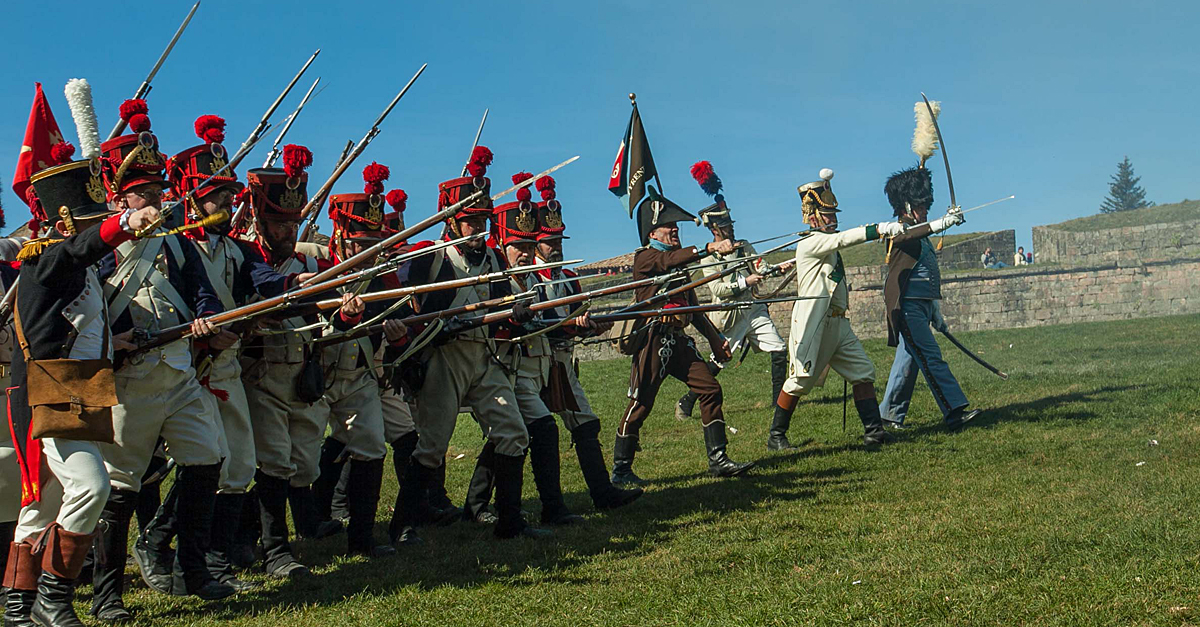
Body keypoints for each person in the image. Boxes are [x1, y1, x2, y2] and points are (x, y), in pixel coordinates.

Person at [2, 150, 160, 627]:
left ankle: (16, 604)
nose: (100, 227)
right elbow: (75, 250)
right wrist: (127, 223)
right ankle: (54, 600)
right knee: (91, 487)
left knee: (46, 501)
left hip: (79, 393)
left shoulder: (82, 270)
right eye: (93, 220)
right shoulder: (47, 259)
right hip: (46, 395)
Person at [91, 100, 235, 617]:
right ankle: (109, 597)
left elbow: (202, 292)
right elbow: (85, 305)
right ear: (120, 197)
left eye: (159, 190)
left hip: (179, 370)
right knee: (121, 487)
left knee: (205, 461)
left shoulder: (177, 243)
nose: (157, 199)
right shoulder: (100, 245)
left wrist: (206, 319)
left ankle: (193, 571)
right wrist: (118, 336)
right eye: (144, 192)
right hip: (130, 380)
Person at [391, 147, 549, 543]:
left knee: (513, 434)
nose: (479, 229)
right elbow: (395, 292)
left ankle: (509, 522)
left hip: (484, 356)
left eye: (483, 220)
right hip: (445, 357)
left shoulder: (494, 259)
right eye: (471, 222)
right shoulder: (430, 256)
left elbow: (503, 307)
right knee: (431, 446)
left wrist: (518, 313)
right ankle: (404, 525)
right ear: (452, 222)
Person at [237, 146, 337, 578]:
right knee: (273, 461)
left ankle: (250, 538)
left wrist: (343, 308)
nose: (287, 231)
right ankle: (276, 550)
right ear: (260, 220)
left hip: (302, 375)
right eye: (279, 223)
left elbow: (338, 306)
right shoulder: (243, 257)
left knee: (304, 464)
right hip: (258, 375)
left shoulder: (313, 259)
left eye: (293, 223)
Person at [462, 173, 584, 527]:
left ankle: (479, 505)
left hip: (528, 370)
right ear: (503, 244)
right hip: (498, 369)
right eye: (519, 246)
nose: (527, 254)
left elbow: (544, 323)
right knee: (539, 430)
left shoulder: (534, 280)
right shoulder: (494, 279)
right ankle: (543, 509)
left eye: (531, 246)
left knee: (509, 436)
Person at [613, 186, 754, 484]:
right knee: (641, 405)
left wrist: (715, 339)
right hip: (653, 339)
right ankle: (621, 470)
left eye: (676, 226)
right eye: (668, 226)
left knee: (710, 389)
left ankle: (718, 460)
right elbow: (667, 262)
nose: (675, 230)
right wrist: (709, 248)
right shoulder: (646, 258)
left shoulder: (678, 262)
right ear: (652, 233)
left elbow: (693, 305)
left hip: (678, 340)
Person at [309, 163, 408, 558]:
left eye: (372, 241)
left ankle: (362, 540)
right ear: (341, 237)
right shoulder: (315, 268)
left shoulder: (382, 278)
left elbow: (401, 321)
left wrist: (400, 341)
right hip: (313, 379)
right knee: (294, 462)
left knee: (370, 447)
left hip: (360, 375)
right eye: (359, 242)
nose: (367, 250)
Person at [530, 175, 643, 510]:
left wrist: (592, 326)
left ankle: (602, 495)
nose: (556, 245)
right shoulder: (528, 280)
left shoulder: (568, 278)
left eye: (558, 239)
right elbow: (539, 325)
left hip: (562, 363)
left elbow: (579, 317)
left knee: (586, 424)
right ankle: (483, 504)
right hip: (532, 362)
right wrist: (570, 327)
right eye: (549, 240)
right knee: (517, 437)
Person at [675, 161, 795, 451]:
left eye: (730, 225)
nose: (730, 229)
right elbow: (717, 289)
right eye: (725, 226)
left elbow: (760, 265)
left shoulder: (743, 244)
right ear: (714, 229)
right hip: (730, 316)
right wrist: (745, 282)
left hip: (753, 310)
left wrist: (778, 268)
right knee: (719, 362)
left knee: (779, 350)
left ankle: (777, 401)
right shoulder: (708, 258)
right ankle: (686, 402)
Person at [878, 166, 981, 430]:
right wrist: (942, 223)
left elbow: (923, 276)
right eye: (920, 205)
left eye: (927, 205)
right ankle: (954, 411)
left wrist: (935, 310)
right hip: (907, 308)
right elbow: (909, 233)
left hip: (921, 306)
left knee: (909, 361)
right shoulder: (896, 230)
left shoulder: (920, 232)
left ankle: (888, 415)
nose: (925, 210)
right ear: (907, 204)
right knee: (931, 356)